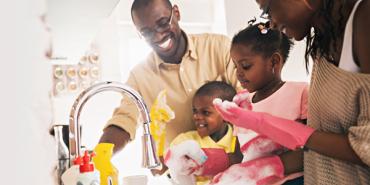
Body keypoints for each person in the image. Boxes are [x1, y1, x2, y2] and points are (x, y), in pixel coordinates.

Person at [214, 0, 370, 185]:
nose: (270, 23)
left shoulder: (364, 20)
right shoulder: (322, 41)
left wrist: (271, 126)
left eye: (267, 9)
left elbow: (365, 147)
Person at [97, 0, 238, 175]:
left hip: (236, 169)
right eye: (146, 32)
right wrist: (100, 154)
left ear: (176, 13)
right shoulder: (140, 76)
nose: (157, 37)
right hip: (183, 178)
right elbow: (124, 120)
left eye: (163, 24)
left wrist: (234, 158)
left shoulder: (219, 48)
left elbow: (248, 103)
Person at [210, 22, 307, 185]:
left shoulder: (300, 93)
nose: (239, 73)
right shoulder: (241, 103)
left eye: (246, 66)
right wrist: (209, 162)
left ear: (274, 62)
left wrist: (265, 169)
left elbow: (310, 151)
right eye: (235, 66)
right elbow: (240, 156)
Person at [165, 81, 242, 185]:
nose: (197, 116)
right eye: (195, 111)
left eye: (206, 112)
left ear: (226, 114)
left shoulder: (239, 141)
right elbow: (174, 171)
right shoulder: (184, 142)